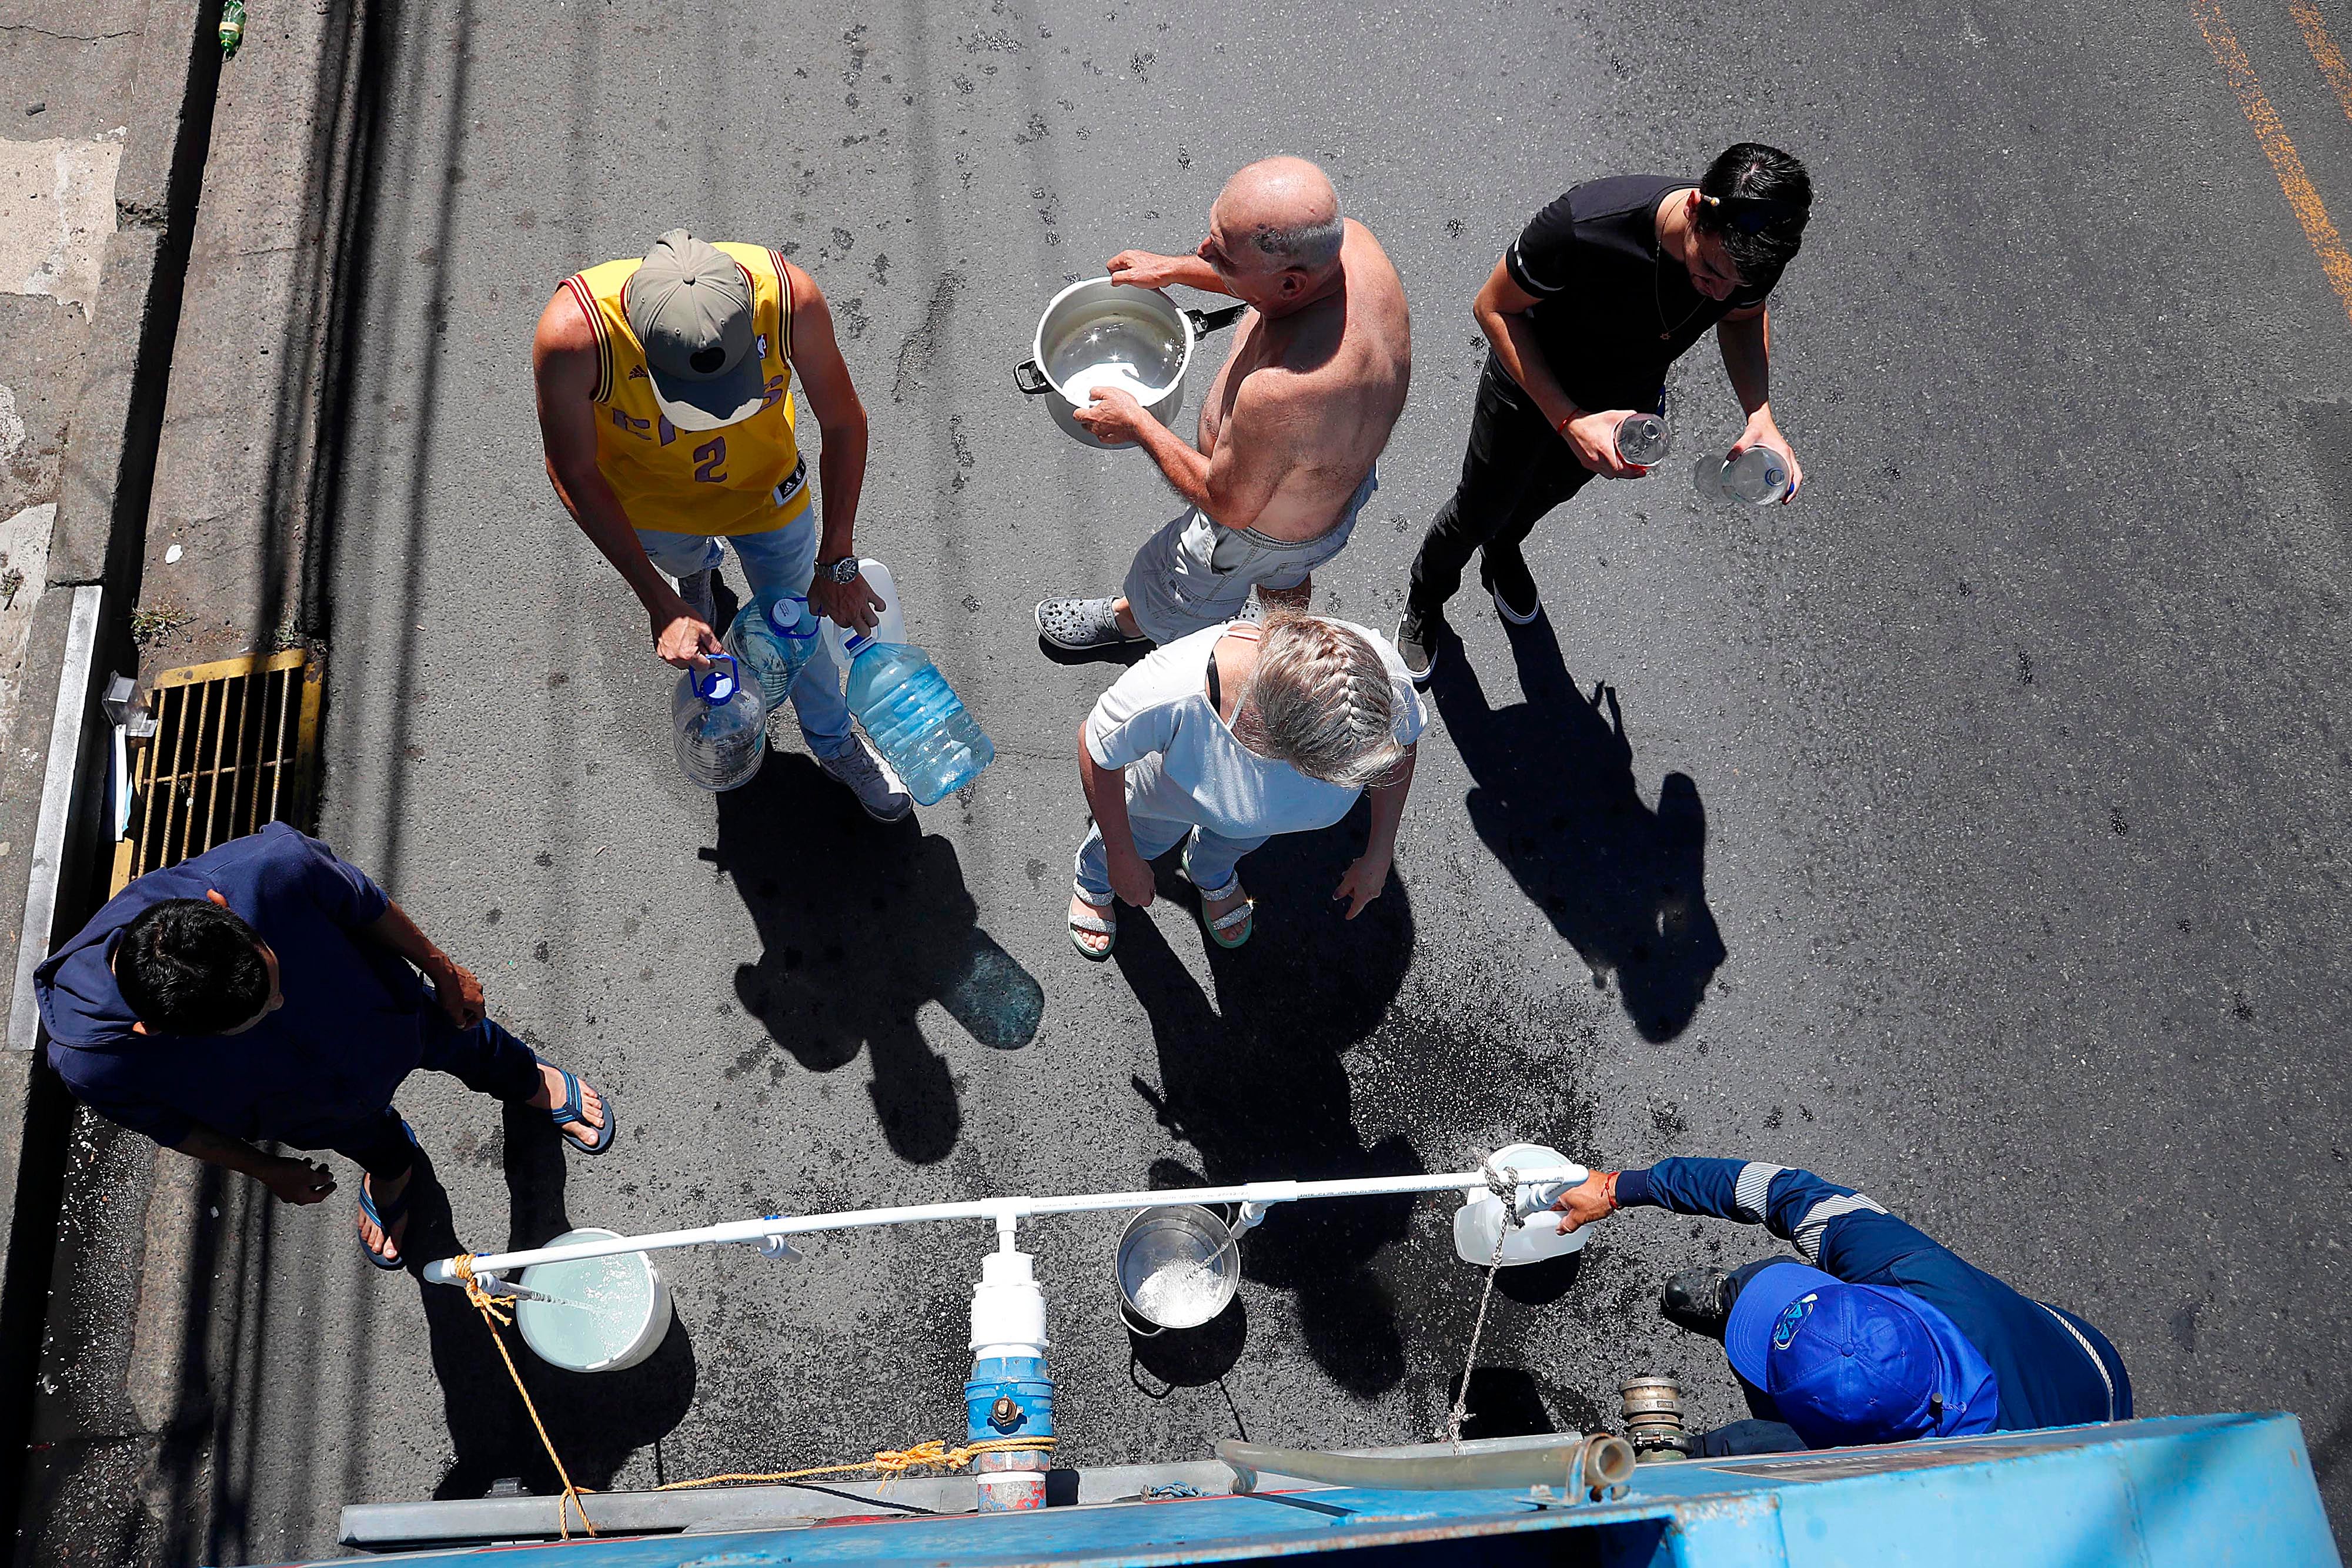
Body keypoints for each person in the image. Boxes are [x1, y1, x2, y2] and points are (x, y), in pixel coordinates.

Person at [32, 825, 614, 1270]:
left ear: (218, 905)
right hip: (303, 1108)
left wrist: (443, 971)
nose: (282, 1002)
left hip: (389, 1013)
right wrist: (263, 1168)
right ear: (155, 1032)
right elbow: (170, 1126)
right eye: (256, 1015)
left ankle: (527, 1081)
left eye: (272, 976)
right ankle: (392, 1169)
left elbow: (363, 903)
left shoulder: (268, 867)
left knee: (469, 1042)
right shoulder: (93, 1063)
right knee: (369, 1139)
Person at [1394, 145, 1815, 683]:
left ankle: (1501, 556)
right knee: (1481, 506)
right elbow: (1493, 307)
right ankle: (1426, 596)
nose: (1721, 292)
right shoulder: (1584, 226)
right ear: (1692, 209)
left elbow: (1741, 319)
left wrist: (1761, 415)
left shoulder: (1748, 259)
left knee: (1544, 497)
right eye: (1709, 270)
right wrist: (1569, 420)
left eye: (1738, 282)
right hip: (1529, 389)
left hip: (1620, 413)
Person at [534, 228, 909, 821]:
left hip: (767, 495)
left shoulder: (788, 301)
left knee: (800, 620)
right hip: (654, 510)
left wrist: (836, 559)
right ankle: (693, 582)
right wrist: (657, 601)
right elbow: (573, 469)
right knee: (686, 571)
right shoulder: (576, 339)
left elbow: (843, 421)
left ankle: (832, 736)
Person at [1035, 156, 1411, 651]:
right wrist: (1177, 271)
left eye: (1222, 258)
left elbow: (1229, 504)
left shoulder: (1283, 389)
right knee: (1288, 572)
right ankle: (1284, 639)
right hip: (1327, 503)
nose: (1203, 250)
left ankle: (1138, 622)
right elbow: (1266, 278)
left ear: (1291, 284)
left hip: (1252, 531)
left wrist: (1137, 422)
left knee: (1179, 586)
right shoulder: (1351, 248)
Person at [1549, 1155, 2132, 1456]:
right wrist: (1617, 1188)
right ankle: (1737, 1307)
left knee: (1746, 1455)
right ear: (1886, 1303)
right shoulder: (1910, 1271)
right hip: (2081, 1360)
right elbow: (1777, 1191)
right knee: (1769, 1283)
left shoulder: (1939, 1494)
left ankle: (1692, 1457)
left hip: (2079, 1424)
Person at [1067, 610, 1421, 957]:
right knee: (1143, 835)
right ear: (1273, 737)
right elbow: (1095, 744)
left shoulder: (1385, 688)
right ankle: (1095, 876)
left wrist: (1380, 851)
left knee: (1232, 841)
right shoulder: (1175, 689)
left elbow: (1400, 751)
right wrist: (1123, 857)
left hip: (1254, 825)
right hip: (1163, 801)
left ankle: (1208, 870)